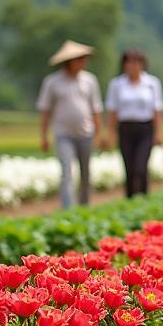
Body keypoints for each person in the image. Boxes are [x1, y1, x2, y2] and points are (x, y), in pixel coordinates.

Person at [36, 40, 103, 209]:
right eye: (79, 59)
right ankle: (68, 208)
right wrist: (44, 137)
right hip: (63, 134)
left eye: (84, 59)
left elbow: (95, 109)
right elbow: (45, 111)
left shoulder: (89, 81)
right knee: (66, 172)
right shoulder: (52, 82)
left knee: (86, 172)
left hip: (86, 133)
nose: (83, 62)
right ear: (69, 61)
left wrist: (99, 134)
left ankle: (84, 205)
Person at [103, 48, 163, 198]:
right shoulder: (117, 84)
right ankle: (130, 198)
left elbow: (157, 109)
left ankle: (143, 196)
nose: (133, 66)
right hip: (125, 128)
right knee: (129, 168)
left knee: (141, 168)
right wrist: (111, 133)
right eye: (129, 62)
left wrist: (158, 132)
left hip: (145, 128)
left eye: (136, 62)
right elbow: (113, 111)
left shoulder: (151, 83)